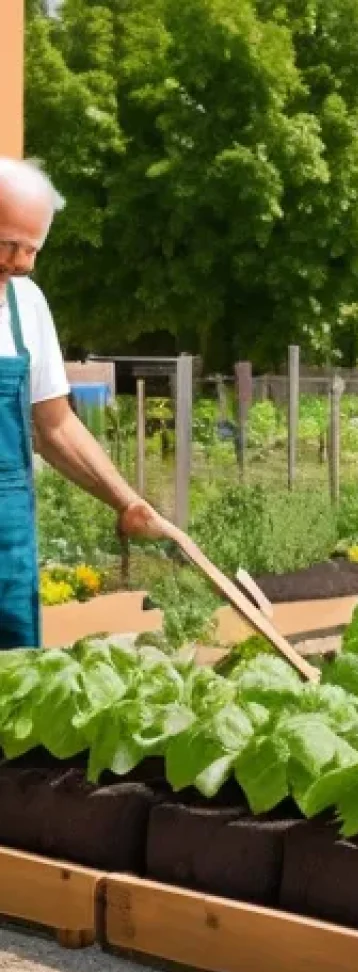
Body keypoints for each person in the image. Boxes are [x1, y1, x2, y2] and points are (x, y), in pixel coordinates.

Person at [0, 157, 170, 649]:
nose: (15, 261)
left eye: (30, 249)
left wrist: (127, 501)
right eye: (6, 242)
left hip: (5, 546)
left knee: (14, 692)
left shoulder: (25, 305)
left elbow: (55, 425)